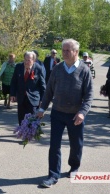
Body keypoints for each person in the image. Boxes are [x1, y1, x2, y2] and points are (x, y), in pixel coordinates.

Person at [37, 39, 93, 188]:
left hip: (75, 116)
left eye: (68, 50)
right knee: (54, 145)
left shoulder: (84, 70)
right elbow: (49, 91)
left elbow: (89, 95)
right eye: (63, 50)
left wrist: (82, 112)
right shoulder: (57, 68)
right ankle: (53, 175)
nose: (64, 53)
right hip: (57, 113)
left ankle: (74, 167)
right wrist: (42, 108)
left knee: (76, 144)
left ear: (76, 52)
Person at [10, 51, 46, 125]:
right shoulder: (18, 67)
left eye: (28, 60)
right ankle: (23, 134)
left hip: (33, 99)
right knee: (21, 120)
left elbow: (43, 86)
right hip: (21, 98)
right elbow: (14, 81)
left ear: (33, 60)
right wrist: (12, 94)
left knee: (32, 121)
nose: (26, 62)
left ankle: (30, 135)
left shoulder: (38, 68)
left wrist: (42, 100)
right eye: (25, 60)